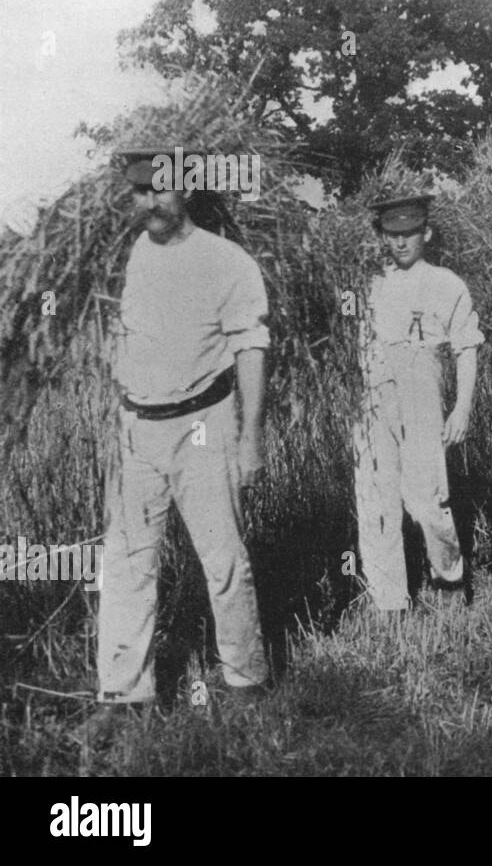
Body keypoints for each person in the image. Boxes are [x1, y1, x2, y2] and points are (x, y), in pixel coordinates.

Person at [94, 146, 270, 734]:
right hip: (136, 428)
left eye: (158, 191)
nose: (147, 202)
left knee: (222, 557)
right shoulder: (128, 255)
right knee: (125, 562)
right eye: (139, 192)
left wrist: (250, 437)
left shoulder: (226, 261)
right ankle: (123, 696)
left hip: (202, 422)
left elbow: (251, 347)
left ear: (187, 189)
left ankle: (245, 684)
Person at [353, 194, 482, 612]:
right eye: (392, 235)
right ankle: (390, 600)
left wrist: (462, 407)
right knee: (376, 500)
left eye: (409, 234)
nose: (401, 243)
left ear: (425, 233)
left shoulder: (447, 284)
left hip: (423, 397)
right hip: (372, 399)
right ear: (382, 237)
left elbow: (466, 348)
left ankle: (450, 578)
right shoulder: (368, 284)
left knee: (428, 499)